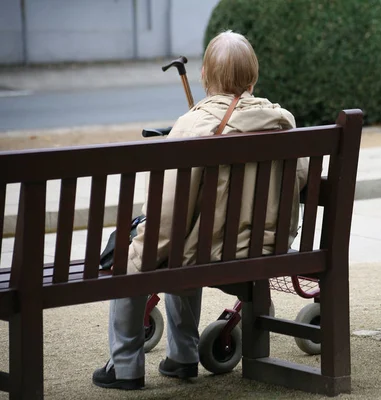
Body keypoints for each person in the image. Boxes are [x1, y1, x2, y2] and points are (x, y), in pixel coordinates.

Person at [92, 30, 309, 390]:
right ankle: (181, 358)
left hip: (205, 251)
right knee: (184, 245)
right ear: (253, 76)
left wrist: (139, 249)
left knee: (149, 255)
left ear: (205, 76)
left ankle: (127, 366)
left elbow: (167, 216)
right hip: (265, 247)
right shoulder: (282, 121)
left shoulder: (192, 124)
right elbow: (299, 179)